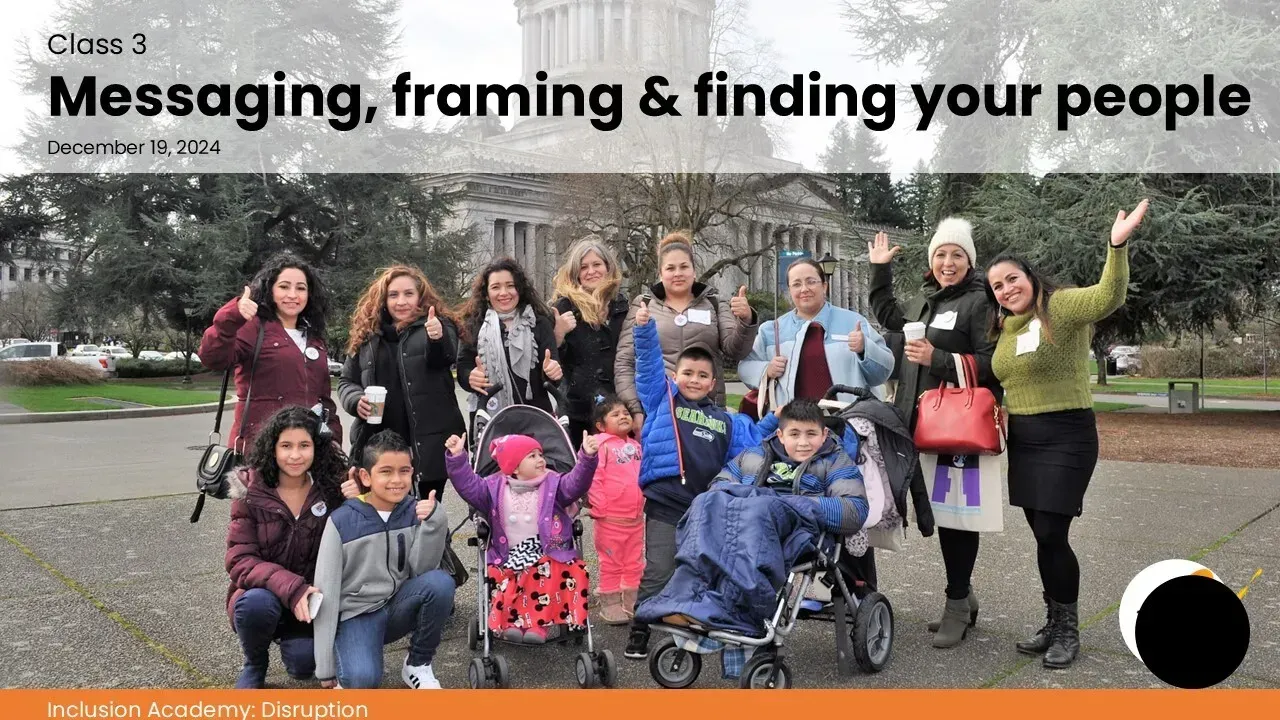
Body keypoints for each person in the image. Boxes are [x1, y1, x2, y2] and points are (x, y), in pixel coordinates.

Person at [986, 199, 1147, 669]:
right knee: (1042, 535)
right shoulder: (1007, 329)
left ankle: (1068, 630)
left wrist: (1116, 247)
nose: (1005, 289)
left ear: (1030, 277)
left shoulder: (1062, 306)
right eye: (997, 285)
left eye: (1012, 278)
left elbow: (1107, 296)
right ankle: (1053, 623)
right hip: (1025, 440)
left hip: (1068, 436)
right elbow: (1008, 379)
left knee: (1053, 532)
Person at [867, 218, 1001, 648]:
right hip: (921, 425)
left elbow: (993, 363)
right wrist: (879, 270)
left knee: (957, 518)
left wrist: (937, 357)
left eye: (956, 255)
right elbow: (890, 317)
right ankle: (965, 593)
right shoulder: (929, 302)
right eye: (940, 255)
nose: (947, 262)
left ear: (969, 261)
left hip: (956, 430)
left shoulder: (980, 301)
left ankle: (957, 603)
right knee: (943, 515)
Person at [636, 399, 869, 640]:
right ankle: (683, 601)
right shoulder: (755, 454)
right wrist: (744, 498)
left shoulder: (835, 461)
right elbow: (719, 483)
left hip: (798, 531)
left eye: (811, 434)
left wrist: (790, 503)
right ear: (780, 435)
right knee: (705, 503)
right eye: (795, 433)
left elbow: (854, 509)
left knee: (758, 508)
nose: (803, 442)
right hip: (745, 519)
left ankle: (734, 612)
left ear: (824, 434)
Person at [623, 297, 776, 660]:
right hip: (664, 502)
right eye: (687, 373)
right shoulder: (663, 401)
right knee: (659, 570)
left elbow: (752, 444)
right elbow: (646, 366)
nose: (694, 380)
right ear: (676, 376)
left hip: (703, 509)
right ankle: (641, 628)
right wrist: (643, 329)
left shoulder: (726, 421)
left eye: (702, 376)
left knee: (697, 569)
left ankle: (689, 624)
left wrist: (775, 420)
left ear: (712, 383)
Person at [312, 430, 455, 689]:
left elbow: (422, 571)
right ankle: (349, 653)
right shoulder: (342, 521)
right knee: (363, 681)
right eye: (386, 471)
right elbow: (326, 593)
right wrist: (324, 667)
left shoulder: (413, 510)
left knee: (441, 583)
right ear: (366, 476)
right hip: (357, 615)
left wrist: (435, 523)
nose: (397, 480)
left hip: (397, 608)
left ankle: (418, 664)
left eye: (404, 471)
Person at [224, 406, 348, 689]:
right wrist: (292, 588)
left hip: (311, 601)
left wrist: (358, 501)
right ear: (273, 449)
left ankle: (296, 641)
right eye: (286, 446)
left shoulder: (332, 489)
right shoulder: (251, 492)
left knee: (304, 666)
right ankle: (255, 664)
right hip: (265, 595)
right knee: (254, 606)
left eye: (304, 445)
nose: (295, 455)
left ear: (316, 447)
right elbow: (239, 559)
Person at [443, 431, 599, 644]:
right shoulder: (493, 488)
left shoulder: (555, 484)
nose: (541, 460)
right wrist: (458, 457)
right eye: (532, 456)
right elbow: (468, 486)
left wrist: (587, 458)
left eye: (540, 454)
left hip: (548, 551)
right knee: (506, 577)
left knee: (545, 571)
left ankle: (537, 625)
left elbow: (576, 483)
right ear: (514, 466)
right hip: (506, 555)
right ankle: (511, 622)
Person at [338, 265, 465, 501]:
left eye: (408, 294)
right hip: (379, 441)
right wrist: (356, 401)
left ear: (420, 296)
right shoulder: (368, 335)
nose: (401, 301)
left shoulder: (437, 324)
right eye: (393, 295)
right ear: (383, 300)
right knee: (383, 510)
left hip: (430, 442)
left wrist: (436, 338)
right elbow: (346, 381)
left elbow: (445, 356)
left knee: (427, 512)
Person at [614, 231, 758, 429]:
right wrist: (635, 410)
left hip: (707, 411)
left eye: (684, 266)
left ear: (694, 271)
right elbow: (624, 363)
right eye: (670, 268)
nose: (677, 273)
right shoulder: (643, 305)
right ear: (660, 274)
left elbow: (736, 351)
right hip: (658, 412)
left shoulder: (715, 303)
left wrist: (746, 320)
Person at [200, 253, 342, 451]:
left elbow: (324, 399)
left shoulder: (313, 337)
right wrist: (231, 317)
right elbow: (213, 358)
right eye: (284, 287)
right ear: (270, 290)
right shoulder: (253, 328)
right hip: (260, 447)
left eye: (301, 288)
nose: (292, 295)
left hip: (306, 449)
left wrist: (333, 440)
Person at [740, 257, 895, 405]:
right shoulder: (772, 330)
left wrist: (864, 349)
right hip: (795, 425)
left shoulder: (854, 322)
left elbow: (884, 371)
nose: (804, 289)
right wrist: (767, 370)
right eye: (796, 284)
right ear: (789, 290)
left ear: (824, 286)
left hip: (849, 422)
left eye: (811, 282)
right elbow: (745, 367)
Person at [457, 258, 563, 422]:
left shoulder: (539, 322)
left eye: (510, 285)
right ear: (486, 294)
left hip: (536, 418)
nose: (504, 293)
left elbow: (553, 375)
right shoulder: (474, 326)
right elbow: (463, 367)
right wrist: (470, 377)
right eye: (495, 287)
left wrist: (553, 373)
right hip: (489, 419)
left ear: (520, 289)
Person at [550, 237, 631, 447]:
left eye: (597, 264)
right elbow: (552, 361)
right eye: (584, 267)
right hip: (577, 409)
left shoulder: (622, 306)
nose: (591, 271)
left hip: (615, 408)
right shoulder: (563, 307)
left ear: (608, 267)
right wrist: (558, 335)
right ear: (576, 274)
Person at [585, 395, 645, 624]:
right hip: (610, 519)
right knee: (611, 562)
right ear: (601, 425)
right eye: (615, 414)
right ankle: (609, 603)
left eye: (626, 413)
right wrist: (599, 506)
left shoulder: (635, 446)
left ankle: (631, 599)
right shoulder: (601, 446)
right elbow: (595, 477)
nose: (623, 416)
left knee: (634, 561)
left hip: (635, 518)